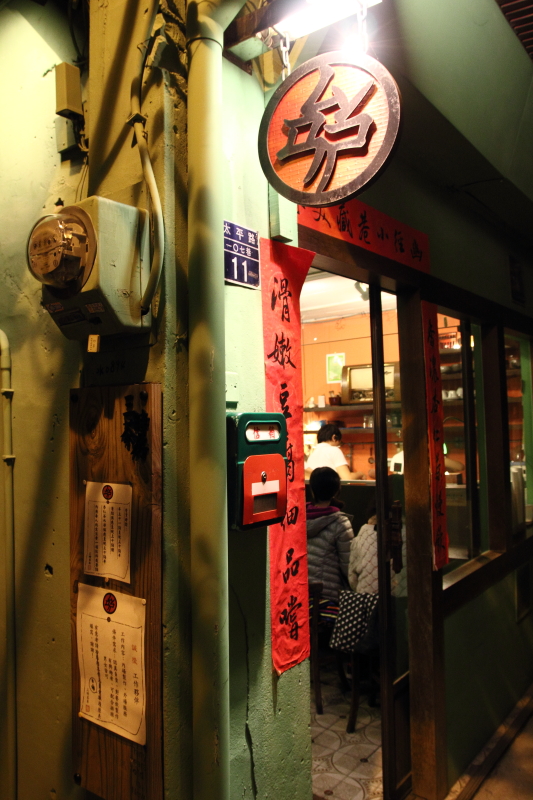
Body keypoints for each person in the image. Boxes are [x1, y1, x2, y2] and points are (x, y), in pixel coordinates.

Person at [306, 467, 354, 602]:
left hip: (299, 595)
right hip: (328, 597)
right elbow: (348, 566)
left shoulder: (297, 518)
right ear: (337, 490)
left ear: (312, 489)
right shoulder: (340, 523)